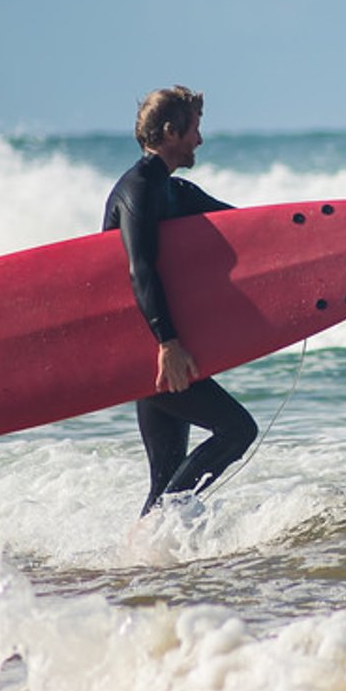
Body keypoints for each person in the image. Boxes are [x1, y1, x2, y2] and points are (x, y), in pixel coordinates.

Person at [104, 86, 259, 516]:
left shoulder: (176, 193)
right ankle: (160, 531)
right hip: (150, 350)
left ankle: (147, 563)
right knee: (237, 430)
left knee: (165, 475)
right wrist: (167, 343)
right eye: (194, 129)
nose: (200, 140)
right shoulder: (137, 190)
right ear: (171, 132)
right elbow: (141, 269)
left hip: (152, 348)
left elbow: (246, 230)